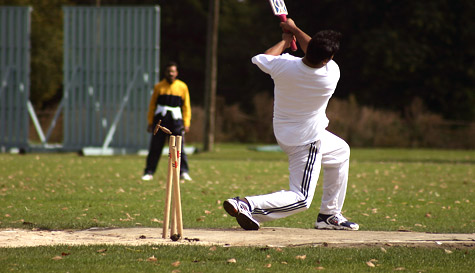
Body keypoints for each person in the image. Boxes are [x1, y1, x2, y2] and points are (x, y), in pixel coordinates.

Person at [223, 19, 359, 231]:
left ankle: (329, 215)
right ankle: (246, 204)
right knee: (302, 198)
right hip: (307, 139)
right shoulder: (330, 74)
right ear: (327, 59)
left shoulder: (283, 66)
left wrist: (285, 42)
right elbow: (313, 48)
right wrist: (295, 29)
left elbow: (261, 58)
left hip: (285, 132)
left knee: (341, 151)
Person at [142, 62, 192, 181]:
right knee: (155, 147)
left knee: (179, 148)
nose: (171, 73)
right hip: (160, 120)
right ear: (165, 73)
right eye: (169, 71)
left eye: (173, 71)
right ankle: (149, 172)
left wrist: (186, 122)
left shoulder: (182, 87)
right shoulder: (159, 87)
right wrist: (150, 122)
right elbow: (152, 106)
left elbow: (186, 106)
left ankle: (183, 172)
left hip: (176, 121)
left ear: (176, 73)